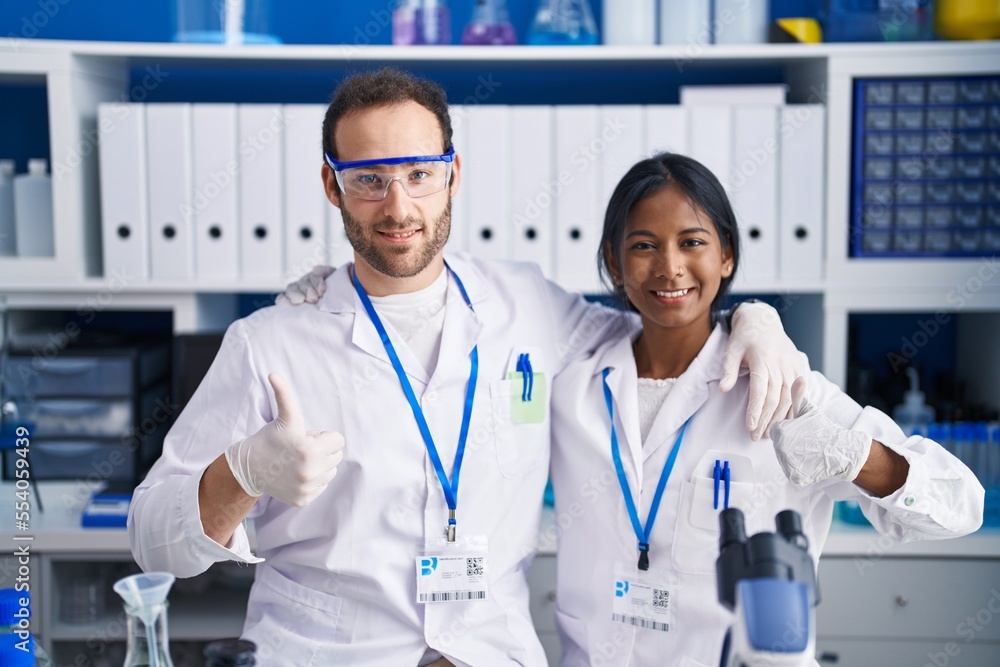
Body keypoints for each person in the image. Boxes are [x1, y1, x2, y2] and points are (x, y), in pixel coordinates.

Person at [128, 69, 807, 666]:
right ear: (332, 187)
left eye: (419, 175)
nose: (398, 207)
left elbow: (656, 330)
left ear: (453, 173)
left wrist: (752, 321)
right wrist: (239, 476)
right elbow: (153, 543)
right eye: (369, 180)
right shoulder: (269, 343)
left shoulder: (528, 306)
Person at [547, 152, 984, 667]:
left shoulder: (784, 387)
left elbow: (960, 508)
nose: (670, 267)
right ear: (615, 262)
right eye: (644, 246)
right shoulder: (572, 378)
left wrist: (855, 456)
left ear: (727, 255)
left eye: (692, 242)